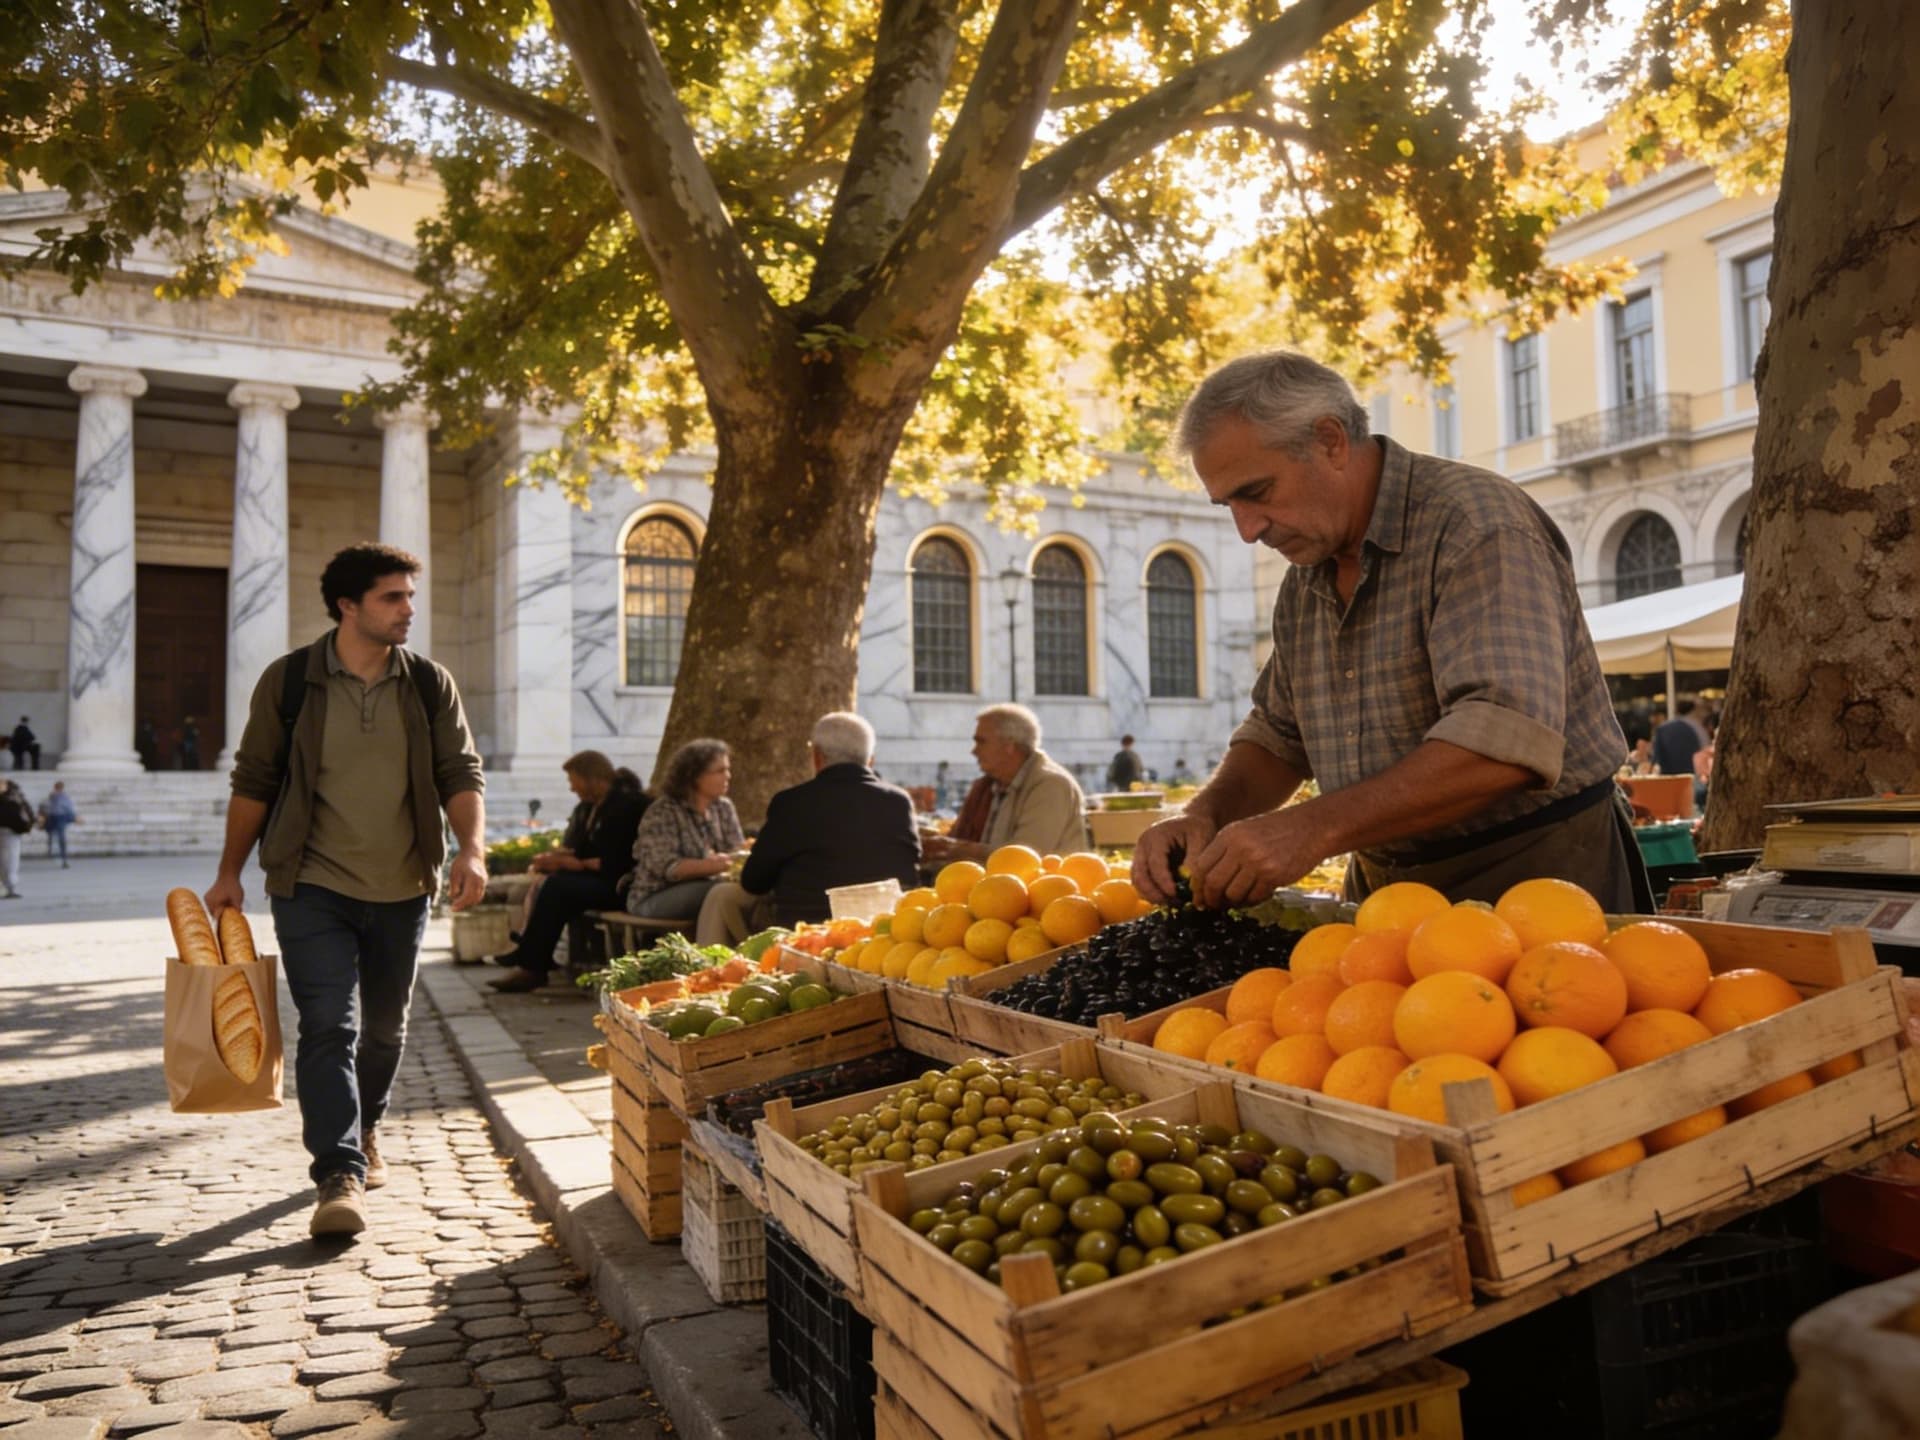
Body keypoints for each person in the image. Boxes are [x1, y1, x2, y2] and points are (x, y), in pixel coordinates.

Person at [1134, 351, 1649, 914]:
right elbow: (1279, 736)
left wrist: (1312, 827)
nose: (1247, 530)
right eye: (1228, 504)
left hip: (1539, 882)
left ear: (1330, 441)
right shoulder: (1308, 570)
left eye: (1256, 492)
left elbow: (1505, 743)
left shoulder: (1477, 524)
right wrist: (1203, 815)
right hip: (1387, 896)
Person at [205, 542, 487, 1239]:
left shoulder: (429, 683)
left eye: (410, 596)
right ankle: (338, 1171)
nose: (408, 609)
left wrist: (472, 849)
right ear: (347, 606)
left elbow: (460, 772)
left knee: (386, 1029)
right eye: (393, 597)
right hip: (312, 884)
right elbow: (254, 779)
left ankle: (367, 1128)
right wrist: (229, 871)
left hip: (403, 885)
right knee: (329, 1023)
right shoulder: (291, 682)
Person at [698, 713, 922, 945]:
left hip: (803, 936)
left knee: (724, 896)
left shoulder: (790, 803)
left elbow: (754, 881)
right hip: (878, 936)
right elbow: (910, 871)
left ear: (817, 756)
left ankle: (714, 964)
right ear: (870, 760)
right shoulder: (899, 802)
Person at [489, 754, 649, 993]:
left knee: (558, 888)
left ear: (591, 778)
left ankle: (531, 965)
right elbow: (577, 848)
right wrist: (558, 859)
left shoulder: (628, 805)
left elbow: (620, 859)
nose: (572, 788)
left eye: (574, 781)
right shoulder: (587, 808)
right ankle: (530, 958)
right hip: (595, 878)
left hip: (620, 884)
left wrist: (580, 865)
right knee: (550, 884)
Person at [922, 705, 1089, 865]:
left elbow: (1025, 858)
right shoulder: (992, 785)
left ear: (1009, 745)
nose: (974, 751)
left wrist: (956, 849)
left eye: (981, 742)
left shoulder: (1051, 785)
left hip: (1043, 884)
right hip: (994, 882)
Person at [624, 739, 745, 924]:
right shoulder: (664, 811)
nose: (728, 776)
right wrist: (715, 865)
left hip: (709, 885)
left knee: (750, 890)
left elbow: (736, 851)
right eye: (720, 771)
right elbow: (668, 868)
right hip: (656, 895)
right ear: (695, 775)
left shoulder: (723, 807)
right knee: (723, 892)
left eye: (727, 769)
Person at [1652, 697, 1711, 778]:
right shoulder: (1698, 729)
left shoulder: (1663, 729)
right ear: (1693, 710)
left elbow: (1656, 758)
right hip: (1692, 779)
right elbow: (1706, 751)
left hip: (1668, 778)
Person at [0, 777, 33, 897]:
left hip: (10, 832)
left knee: (9, 860)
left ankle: (9, 887)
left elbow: (22, 813)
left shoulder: (12, 798)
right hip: (9, 831)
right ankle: (8, 887)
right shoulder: (13, 798)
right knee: (8, 859)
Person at [40, 781, 77, 867]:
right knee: (53, 836)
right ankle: (54, 852)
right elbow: (44, 807)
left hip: (60, 818)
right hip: (52, 818)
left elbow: (69, 808)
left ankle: (63, 858)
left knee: (61, 837)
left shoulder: (64, 797)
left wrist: (73, 817)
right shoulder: (51, 797)